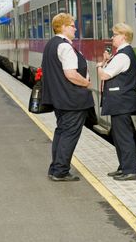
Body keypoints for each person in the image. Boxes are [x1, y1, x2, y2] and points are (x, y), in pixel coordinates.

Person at [41, 13, 94, 182]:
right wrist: (86, 83)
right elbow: (71, 74)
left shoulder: (51, 44)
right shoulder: (65, 47)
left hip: (59, 99)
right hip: (72, 100)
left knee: (61, 132)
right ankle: (60, 171)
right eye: (72, 25)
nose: (75, 28)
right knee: (69, 135)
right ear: (63, 27)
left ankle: (55, 168)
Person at [96, 23, 136, 181]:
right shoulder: (122, 54)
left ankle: (130, 171)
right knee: (119, 135)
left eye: (114, 35)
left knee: (124, 137)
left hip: (121, 103)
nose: (112, 38)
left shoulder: (122, 55)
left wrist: (100, 65)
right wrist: (107, 61)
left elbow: (104, 76)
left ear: (123, 36)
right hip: (121, 102)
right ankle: (124, 167)